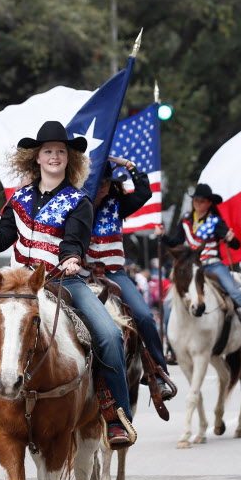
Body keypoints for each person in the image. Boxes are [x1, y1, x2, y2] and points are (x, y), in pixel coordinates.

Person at [0, 121, 137, 449]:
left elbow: (74, 241)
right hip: (16, 286)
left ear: (69, 159)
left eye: (60, 151)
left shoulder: (79, 201)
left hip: (61, 280)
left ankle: (114, 414)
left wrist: (72, 258)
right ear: (37, 158)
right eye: (48, 151)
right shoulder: (19, 198)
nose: (54, 156)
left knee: (108, 334)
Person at [87, 158, 175, 400]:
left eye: (107, 182)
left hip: (114, 274)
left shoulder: (118, 204)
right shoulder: (75, 204)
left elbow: (145, 192)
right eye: (99, 182)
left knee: (145, 316)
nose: (104, 186)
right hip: (82, 275)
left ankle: (158, 373)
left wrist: (129, 166)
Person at [159, 184, 241, 348]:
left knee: (235, 292)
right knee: (169, 301)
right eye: (196, 200)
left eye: (202, 201)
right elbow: (176, 242)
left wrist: (230, 238)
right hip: (192, 267)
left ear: (209, 203)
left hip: (212, 265)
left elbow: (235, 245)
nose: (198, 203)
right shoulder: (185, 220)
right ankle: (171, 344)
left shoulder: (216, 222)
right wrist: (163, 236)